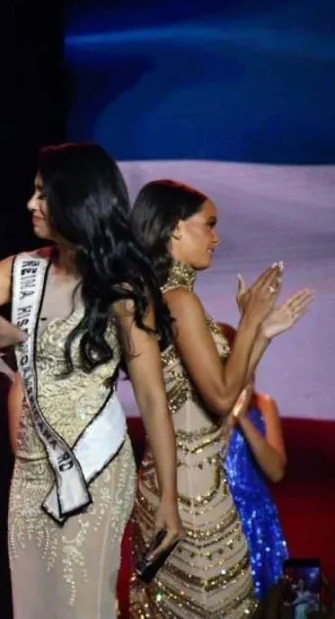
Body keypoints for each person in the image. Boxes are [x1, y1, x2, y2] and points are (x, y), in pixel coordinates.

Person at [0, 142, 182, 618]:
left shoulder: (124, 287)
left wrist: (168, 496)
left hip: (93, 469)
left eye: (42, 194)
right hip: (31, 470)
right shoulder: (24, 271)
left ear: (75, 200)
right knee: (34, 606)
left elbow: (152, 398)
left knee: (81, 604)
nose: (30, 204)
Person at [128, 179, 312, 617]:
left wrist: (260, 334)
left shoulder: (158, 298)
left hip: (186, 486)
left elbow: (223, 392)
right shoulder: (180, 301)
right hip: (193, 501)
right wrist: (249, 320)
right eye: (208, 225)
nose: (216, 236)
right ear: (175, 228)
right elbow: (221, 397)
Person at [217, 322, 290, 601]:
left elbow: (276, 472)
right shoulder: (196, 408)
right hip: (217, 519)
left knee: (263, 603)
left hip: (257, 522)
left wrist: (242, 418)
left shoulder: (264, 404)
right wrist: (226, 416)